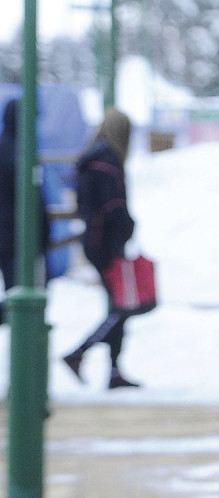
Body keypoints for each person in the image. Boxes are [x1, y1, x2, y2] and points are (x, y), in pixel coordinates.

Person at [61, 107, 141, 389]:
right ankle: (79, 354)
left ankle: (113, 370)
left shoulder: (93, 158)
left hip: (97, 241)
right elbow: (114, 207)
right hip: (106, 244)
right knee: (122, 307)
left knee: (119, 305)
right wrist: (128, 228)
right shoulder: (108, 162)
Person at [0, 97, 50, 323]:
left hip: (9, 235)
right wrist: (44, 235)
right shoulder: (23, 154)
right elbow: (35, 200)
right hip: (18, 238)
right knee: (21, 297)